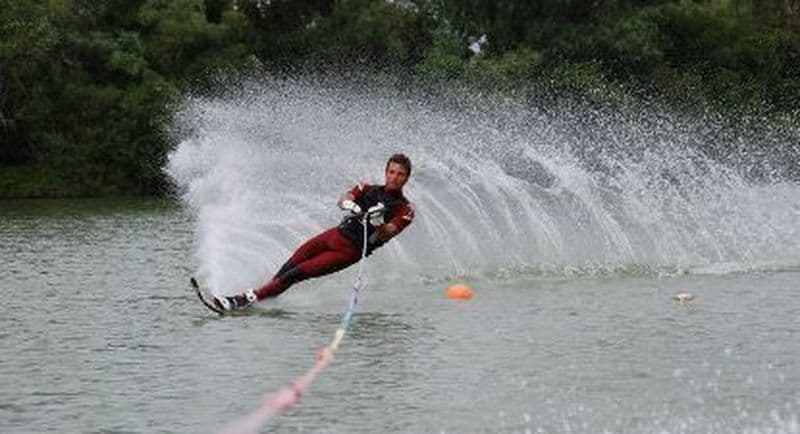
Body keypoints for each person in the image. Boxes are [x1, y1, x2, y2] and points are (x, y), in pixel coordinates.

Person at [212, 153, 415, 311]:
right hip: (333, 235)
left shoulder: (405, 209)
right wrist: (350, 204)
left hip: (348, 251)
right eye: (392, 172)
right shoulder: (368, 188)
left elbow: (388, 232)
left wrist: (378, 222)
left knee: (296, 274)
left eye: (400, 174)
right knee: (289, 266)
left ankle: (241, 300)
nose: (394, 177)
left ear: (406, 178)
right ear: (386, 171)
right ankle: (261, 297)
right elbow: (345, 197)